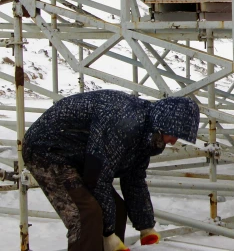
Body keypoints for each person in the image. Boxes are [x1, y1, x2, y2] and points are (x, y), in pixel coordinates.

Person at [22, 90, 201, 251]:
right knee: (87, 215)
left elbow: (134, 179)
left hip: (78, 156)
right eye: (174, 133)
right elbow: (97, 176)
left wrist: (145, 226)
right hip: (47, 151)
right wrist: (108, 234)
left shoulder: (146, 131)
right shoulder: (125, 122)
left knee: (116, 209)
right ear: (163, 124)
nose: (174, 141)